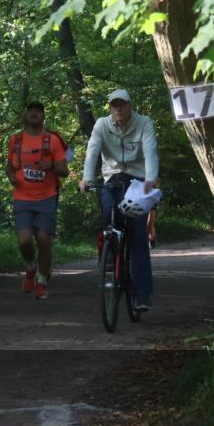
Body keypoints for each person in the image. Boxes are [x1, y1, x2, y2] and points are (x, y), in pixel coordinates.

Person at [78, 89, 159, 311]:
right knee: (107, 217)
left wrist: (151, 177)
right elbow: (92, 151)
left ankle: (142, 294)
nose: (119, 109)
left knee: (138, 236)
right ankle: (110, 258)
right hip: (111, 178)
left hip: (137, 180)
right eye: (115, 105)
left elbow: (150, 151)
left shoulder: (143, 123)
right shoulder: (101, 125)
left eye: (122, 105)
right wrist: (87, 178)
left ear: (130, 105)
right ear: (110, 108)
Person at [5, 101, 70, 300]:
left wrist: (50, 165)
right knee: (24, 241)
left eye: (38, 111)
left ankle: (42, 281)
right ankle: (30, 268)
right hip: (22, 197)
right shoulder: (15, 140)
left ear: (43, 116)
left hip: (46, 197)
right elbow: (9, 166)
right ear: (25, 115)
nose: (34, 114)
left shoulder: (52, 140)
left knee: (43, 241)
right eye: (30, 111)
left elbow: (65, 171)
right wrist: (11, 176)